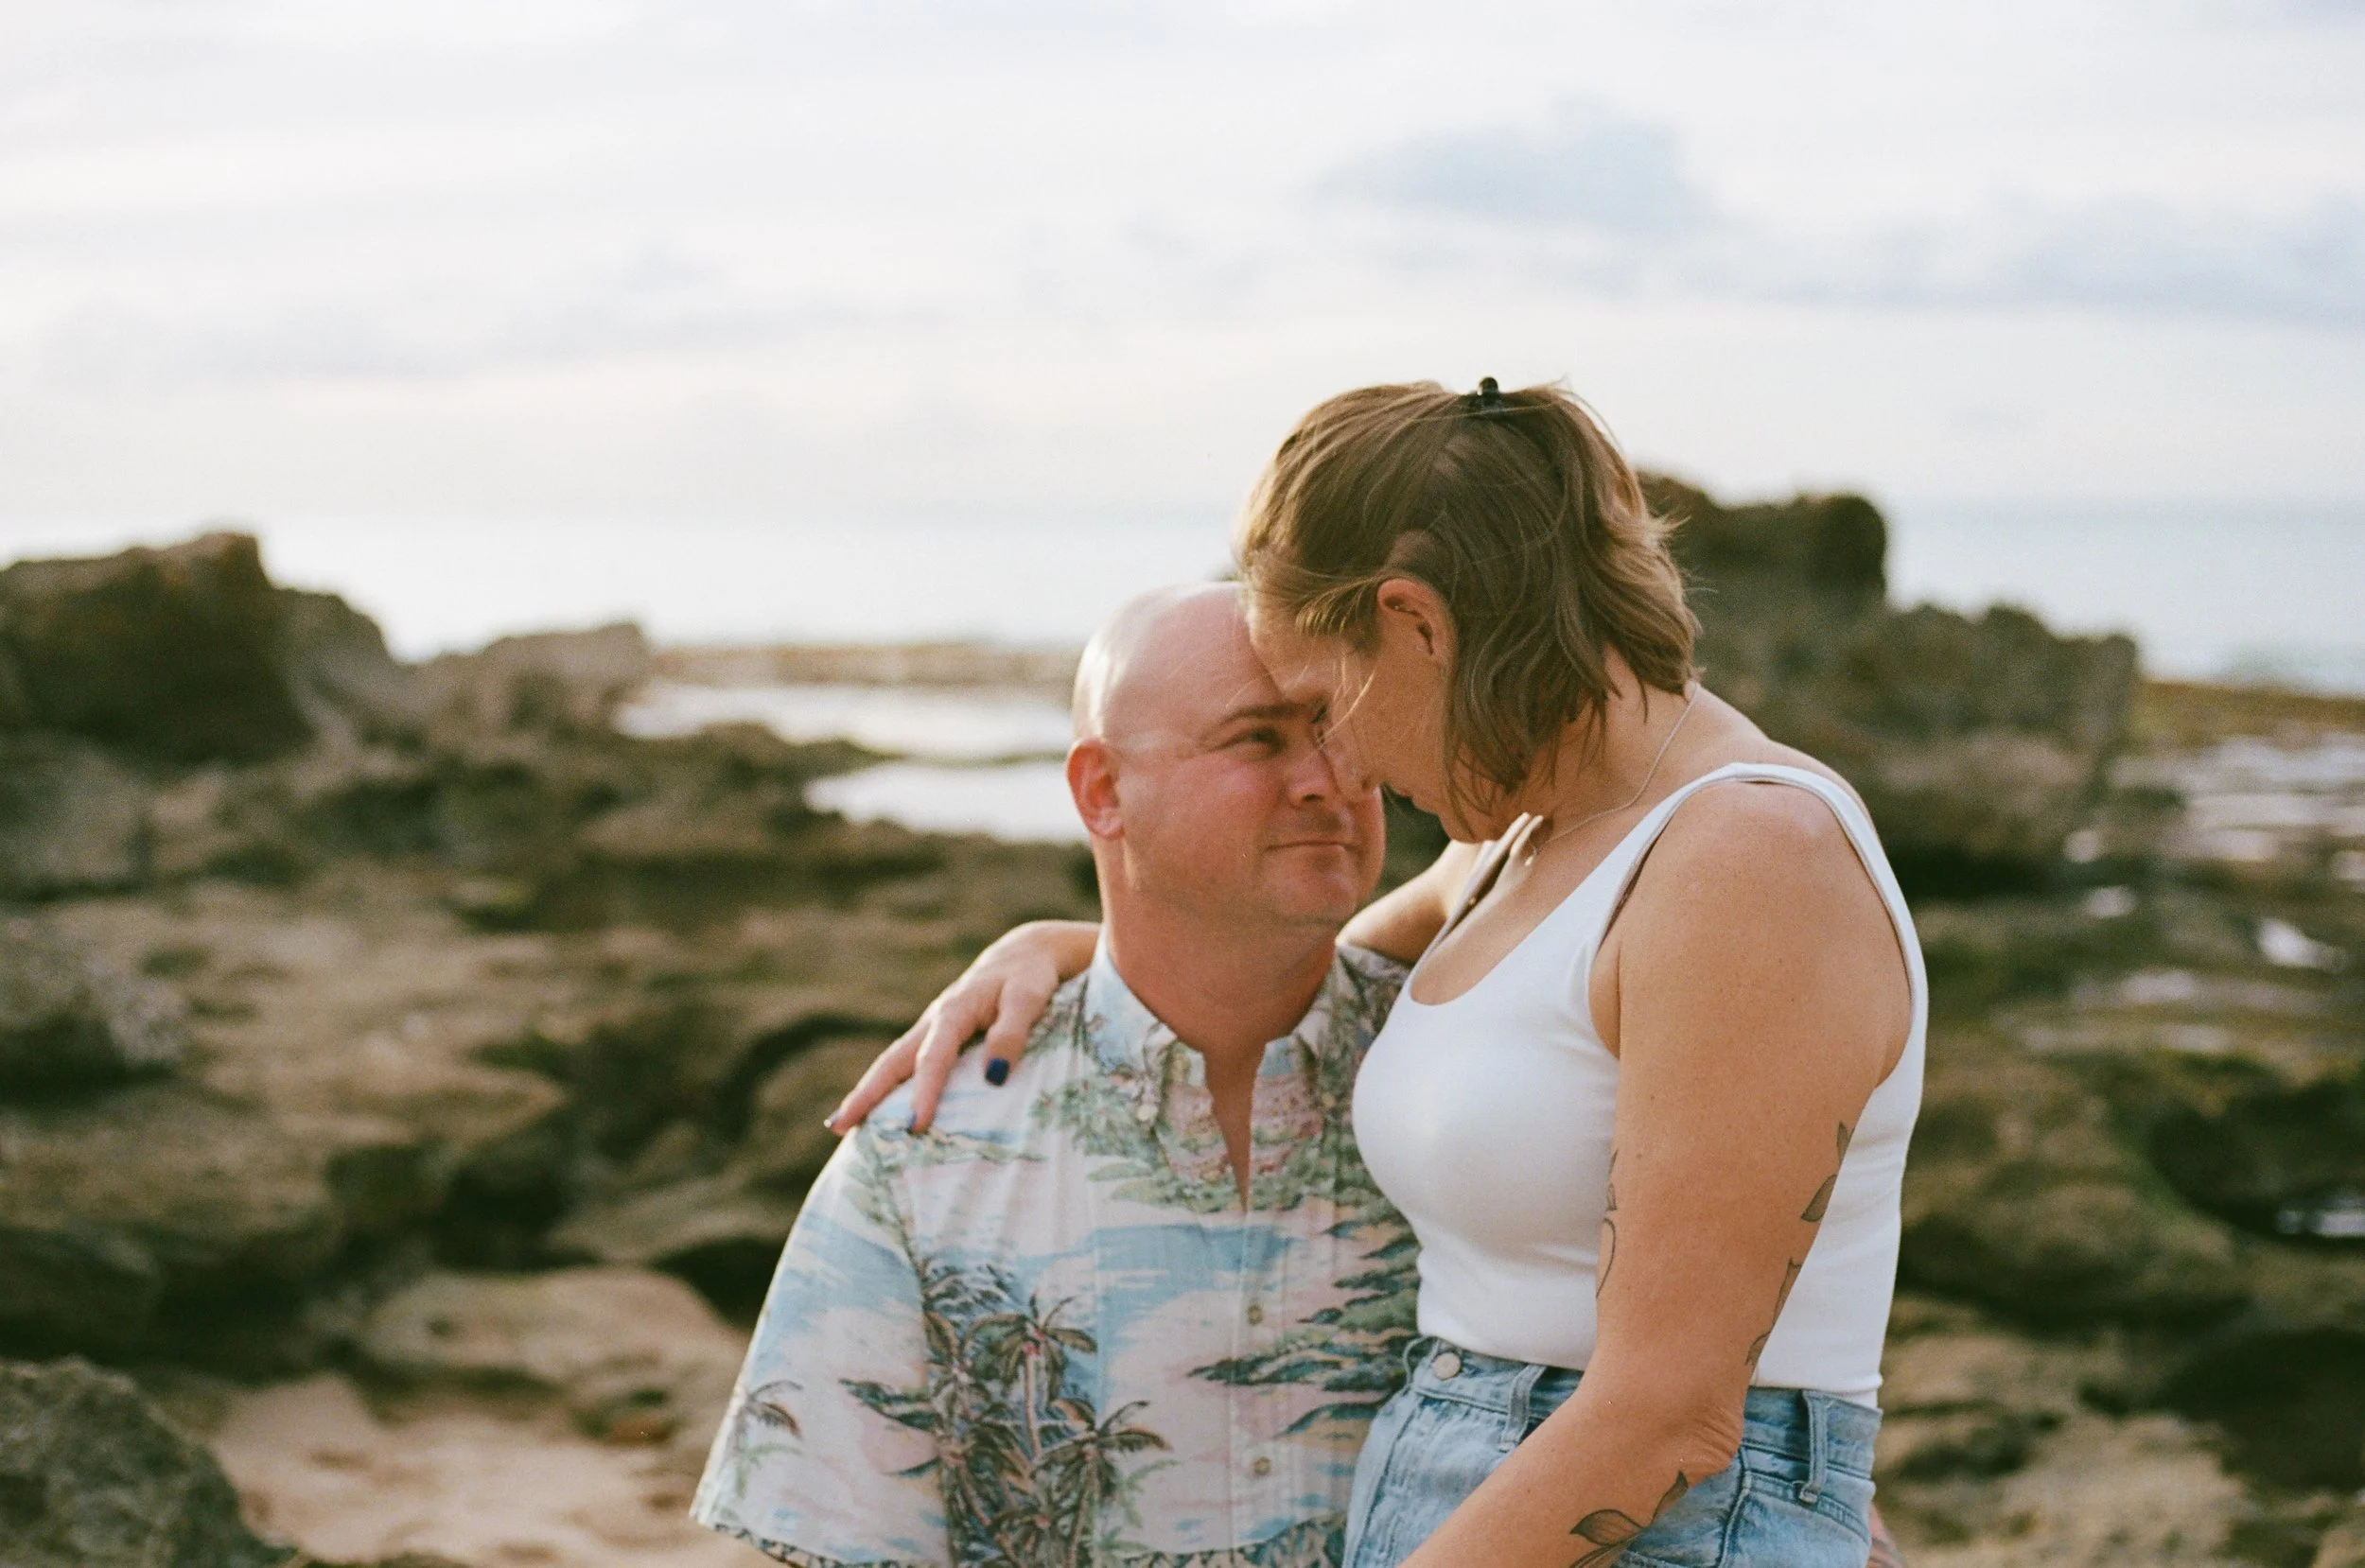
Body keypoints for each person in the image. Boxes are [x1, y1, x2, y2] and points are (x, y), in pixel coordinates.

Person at [830, 379, 1924, 1568]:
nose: (1337, 763)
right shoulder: (1517, 846)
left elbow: (1670, 1411)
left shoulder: (1748, 857)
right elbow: (1295, 968)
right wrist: (1066, 945)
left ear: (1415, 623)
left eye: (1318, 702)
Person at [692, 583, 1422, 1566]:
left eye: (1338, 726)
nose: (1327, 776)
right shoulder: (926, 1148)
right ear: (1101, 792)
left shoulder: (1478, 1080)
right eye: (1258, 738)